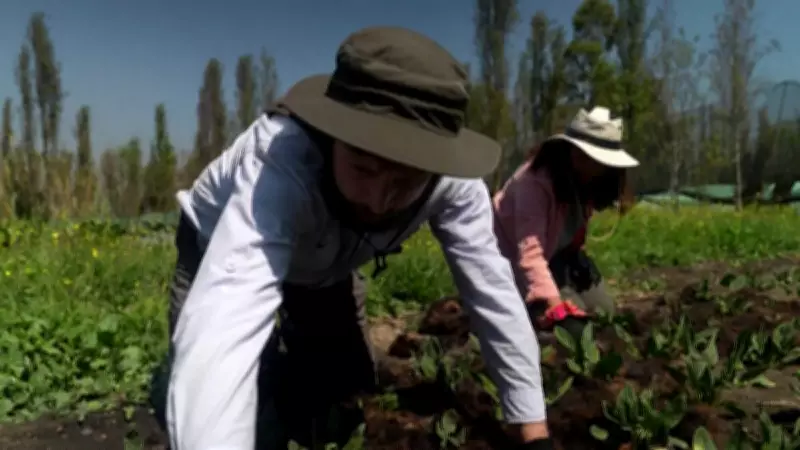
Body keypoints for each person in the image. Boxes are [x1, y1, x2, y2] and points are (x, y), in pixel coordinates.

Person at [148, 26, 554, 450]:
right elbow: (224, 324)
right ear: (334, 136)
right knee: (251, 409)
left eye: (406, 181)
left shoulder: (455, 184)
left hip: (328, 263)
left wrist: (533, 430)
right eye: (363, 168)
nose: (378, 202)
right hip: (216, 242)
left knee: (346, 396)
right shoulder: (279, 162)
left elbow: (493, 293)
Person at [492, 107, 639, 338]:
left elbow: (569, 232)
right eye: (589, 157)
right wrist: (552, 303)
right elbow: (529, 254)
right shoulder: (533, 183)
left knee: (605, 313)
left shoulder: (585, 181)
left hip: (557, 259)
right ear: (571, 151)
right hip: (511, 264)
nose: (596, 166)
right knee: (574, 329)